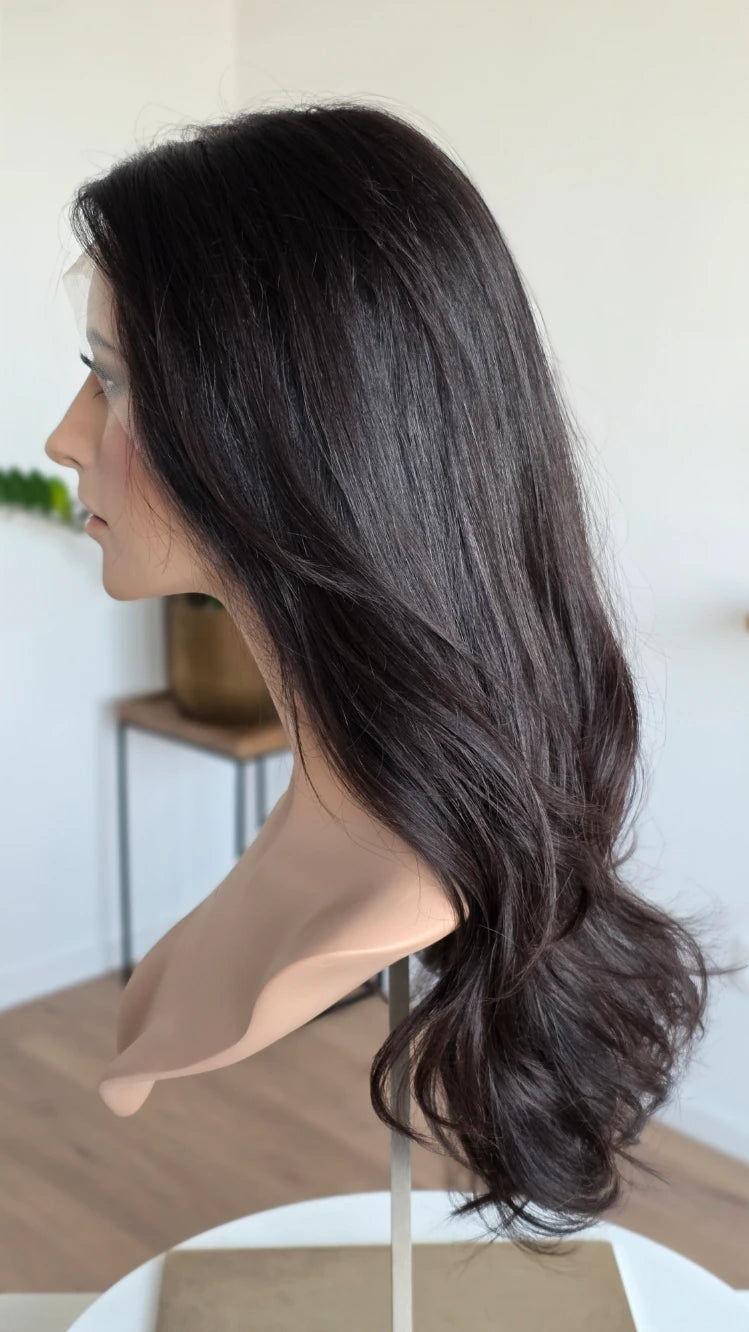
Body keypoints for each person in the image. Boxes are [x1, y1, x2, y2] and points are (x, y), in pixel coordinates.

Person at [44, 101, 732, 1251]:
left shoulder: (388, 885)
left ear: (285, 431)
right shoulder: (331, 828)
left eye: (111, 383)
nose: (65, 438)